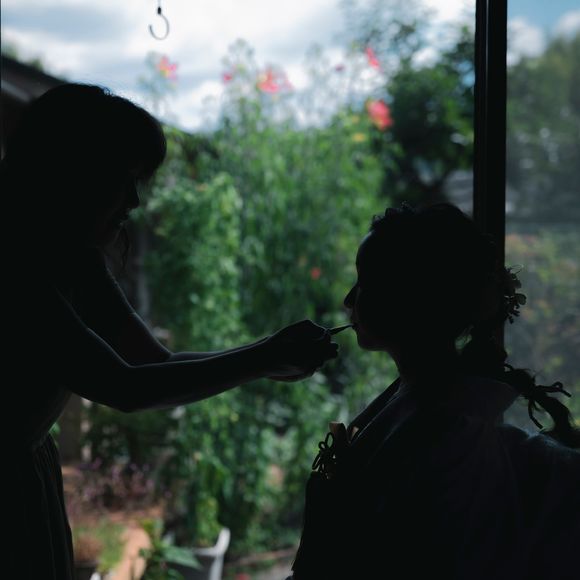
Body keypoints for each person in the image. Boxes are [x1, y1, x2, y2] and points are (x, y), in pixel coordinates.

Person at [1, 83, 338, 579]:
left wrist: (265, 355)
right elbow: (123, 386)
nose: (135, 201)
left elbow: (151, 363)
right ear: (74, 174)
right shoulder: (13, 270)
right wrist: (264, 357)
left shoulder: (74, 259)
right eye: (125, 178)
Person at [290, 203, 580, 579]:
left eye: (364, 282)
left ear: (409, 296)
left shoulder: (446, 432)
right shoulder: (422, 403)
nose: (348, 299)